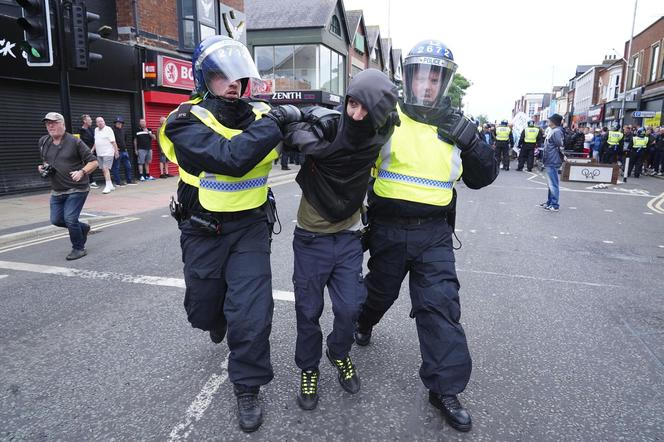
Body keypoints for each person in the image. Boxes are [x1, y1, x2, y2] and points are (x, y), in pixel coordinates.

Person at [353, 40, 498, 433]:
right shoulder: (387, 117)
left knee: (440, 306)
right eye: (422, 75)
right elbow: (351, 158)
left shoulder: (457, 124)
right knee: (379, 293)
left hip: (434, 233)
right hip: (387, 228)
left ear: (444, 81)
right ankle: (363, 322)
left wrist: (471, 141)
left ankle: (444, 388)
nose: (428, 84)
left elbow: (483, 178)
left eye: (436, 77)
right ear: (409, 77)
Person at [159, 35, 301, 433]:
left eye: (238, 76)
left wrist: (331, 121)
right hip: (202, 229)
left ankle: (248, 386)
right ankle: (216, 316)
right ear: (205, 79)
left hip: (251, 229)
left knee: (253, 312)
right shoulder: (184, 121)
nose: (233, 84)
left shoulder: (261, 114)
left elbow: (313, 137)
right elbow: (231, 159)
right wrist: (277, 122)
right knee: (203, 311)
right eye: (222, 76)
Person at [282, 69, 398, 411]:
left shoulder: (383, 130)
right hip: (310, 238)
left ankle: (338, 352)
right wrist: (306, 135)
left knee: (349, 308)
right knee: (308, 310)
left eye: (366, 109)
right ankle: (309, 368)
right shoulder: (331, 125)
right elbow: (297, 130)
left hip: (347, 238)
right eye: (352, 104)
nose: (356, 114)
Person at [38, 112, 98, 260]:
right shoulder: (43, 142)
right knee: (57, 220)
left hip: (77, 188)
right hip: (57, 189)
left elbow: (94, 162)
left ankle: (78, 248)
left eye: (54, 122)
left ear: (62, 124)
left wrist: (82, 172)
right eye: (47, 123)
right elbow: (46, 161)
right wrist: (43, 168)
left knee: (70, 219)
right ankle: (83, 228)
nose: (50, 126)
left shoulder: (74, 142)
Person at [540, 113, 565, 212]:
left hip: (553, 160)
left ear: (554, 122)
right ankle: (550, 202)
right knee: (550, 183)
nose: (548, 121)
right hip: (550, 159)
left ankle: (554, 204)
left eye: (549, 120)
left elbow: (560, 145)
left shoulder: (557, 131)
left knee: (553, 183)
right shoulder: (553, 130)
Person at [92, 116, 118, 194]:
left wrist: (116, 151)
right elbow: (96, 141)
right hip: (100, 153)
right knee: (103, 170)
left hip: (108, 152)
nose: (100, 123)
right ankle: (110, 185)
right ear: (96, 123)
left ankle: (107, 187)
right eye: (98, 121)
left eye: (102, 121)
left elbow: (113, 141)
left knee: (105, 168)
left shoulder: (108, 129)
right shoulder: (96, 130)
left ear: (104, 122)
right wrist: (92, 150)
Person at [111, 116, 136, 186]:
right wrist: (115, 149)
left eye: (120, 123)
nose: (119, 124)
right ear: (115, 123)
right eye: (117, 123)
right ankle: (118, 182)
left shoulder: (123, 130)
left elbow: (125, 140)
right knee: (116, 167)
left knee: (128, 166)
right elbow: (111, 141)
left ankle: (129, 181)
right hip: (117, 152)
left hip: (124, 151)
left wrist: (125, 148)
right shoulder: (112, 131)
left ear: (122, 124)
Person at [78, 114, 98, 188]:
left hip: (91, 151)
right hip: (83, 152)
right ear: (84, 121)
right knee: (84, 166)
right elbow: (78, 141)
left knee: (92, 165)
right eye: (89, 120)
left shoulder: (91, 130)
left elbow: (95, 140)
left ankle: (91, 181)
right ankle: (88, 181)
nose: (91, 121)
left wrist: (92, 149)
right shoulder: (80, 130)